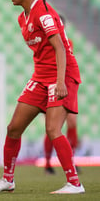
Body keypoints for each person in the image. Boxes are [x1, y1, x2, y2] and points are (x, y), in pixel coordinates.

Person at [0, 0, 84, 194]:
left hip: (63, 74)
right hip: (41, 76)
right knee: (14, 128)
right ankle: (7, 179)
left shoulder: (44, 13)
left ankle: (74, 183)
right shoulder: (23, 18)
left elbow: (59, 48)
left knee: (53, 129)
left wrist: (60, 82)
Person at [44, 15, 80, 175]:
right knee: (52, 126)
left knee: (71, 122)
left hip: (64, 84)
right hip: (49, 83)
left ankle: (71, 161)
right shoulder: (46, 41)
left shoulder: (66, 43)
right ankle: (47, 163)